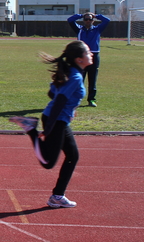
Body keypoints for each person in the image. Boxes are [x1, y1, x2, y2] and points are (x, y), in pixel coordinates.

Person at [11, 40, 93, 209]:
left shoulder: (70, 72)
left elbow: (52, 93)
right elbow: (59, 101)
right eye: (88, 52)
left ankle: (57, 196)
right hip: (55, 121)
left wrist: (71, 107)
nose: (91, 54)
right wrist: (47, 130)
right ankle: (30, 129)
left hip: (58, 119)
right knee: (48, 162)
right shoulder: (75, 77)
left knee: (73, 156)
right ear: (79, 59)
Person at [67, 12, 110, 107]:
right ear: (83, 20)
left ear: (93, 20)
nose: (88, 21)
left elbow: (107, 20)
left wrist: (96, 15)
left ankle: (91, 100)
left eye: (90, 19)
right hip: (81, 56)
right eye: (86, 19)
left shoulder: (97, 29)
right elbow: (70, 20)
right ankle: (75, 99)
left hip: (94, 56)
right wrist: (81, 15)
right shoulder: (79, 29)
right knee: (79, 79)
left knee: (92, 79)